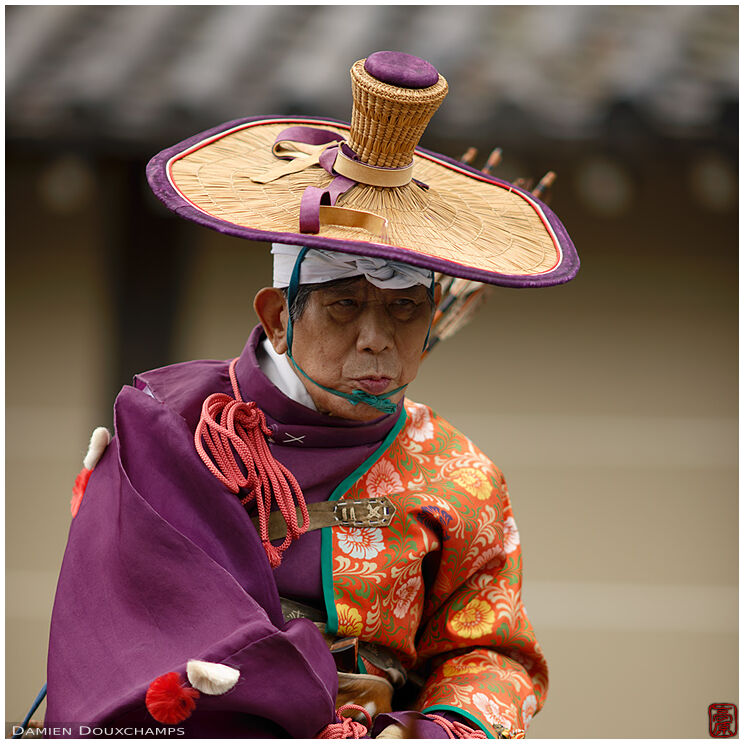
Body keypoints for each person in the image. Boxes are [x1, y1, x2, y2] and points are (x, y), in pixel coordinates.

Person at [45, 51, 579, 738]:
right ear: (277, 314)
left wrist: (435, 730)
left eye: (403, 310)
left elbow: (491, 652)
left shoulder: (462, 475)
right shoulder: (174, 424)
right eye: (344, 306)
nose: (376, 339)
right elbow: (122, 629)